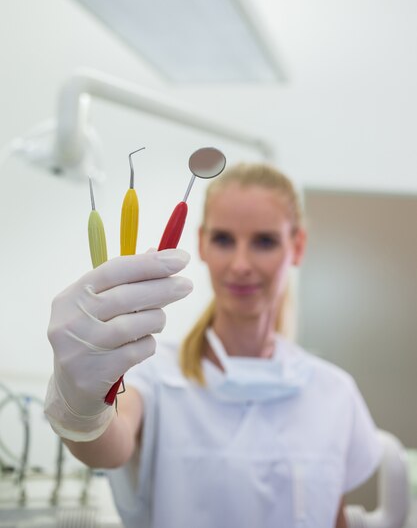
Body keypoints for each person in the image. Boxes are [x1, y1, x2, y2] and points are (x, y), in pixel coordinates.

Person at [45, 162, 381, 528]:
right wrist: (79, 408)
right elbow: (107, 447)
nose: (240, 264)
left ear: (297, 246)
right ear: (202, 243)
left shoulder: (334, 394)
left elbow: (334, 516)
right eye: (223, 239)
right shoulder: (155, 375)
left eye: (264, 241)